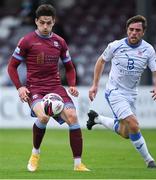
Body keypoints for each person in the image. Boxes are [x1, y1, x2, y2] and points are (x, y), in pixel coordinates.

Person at [7, 4, 89, 172]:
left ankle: (78, 164)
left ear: (53, 22)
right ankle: (35, 153)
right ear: (36, 21)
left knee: (73, 117)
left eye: (49, 23)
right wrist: (20, 88)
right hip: (35, 88)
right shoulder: (27, 41)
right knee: (43, 117)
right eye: (42, 22)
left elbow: (70, 67)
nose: (45, 26)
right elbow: (11, 67)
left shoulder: (60, 42)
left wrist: (72, 84)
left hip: (56, 88)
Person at [87, 15, 156, 168]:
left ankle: (97, 119)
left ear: (143, 32)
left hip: (131, 94)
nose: (134, 32)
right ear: (127, 30)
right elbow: (101, 61)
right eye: (131, 29)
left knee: (126, 133)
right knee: (134, 125)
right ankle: (150, 161)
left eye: (138, 30)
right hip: (114, 91)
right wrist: (95, 85)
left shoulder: (148, 50)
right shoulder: (115, 45)